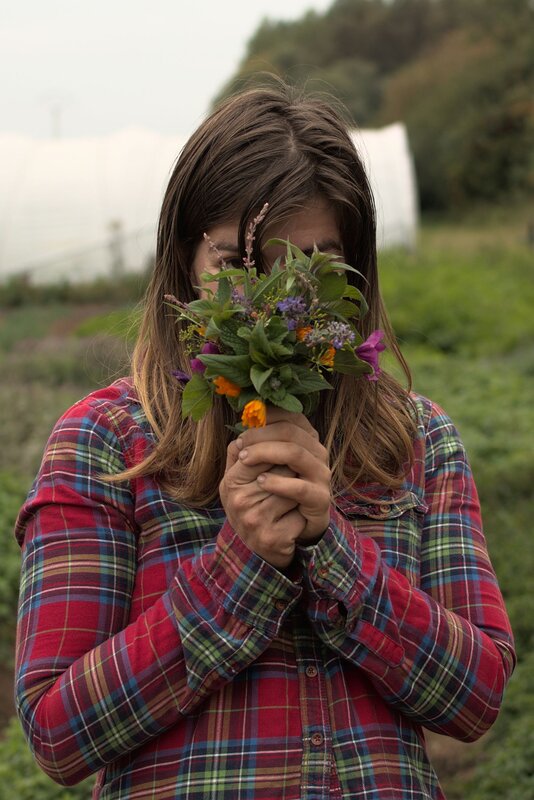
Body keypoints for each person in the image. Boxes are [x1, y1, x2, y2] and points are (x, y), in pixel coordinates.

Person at [14, 82, 515, 800]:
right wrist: (241, 568)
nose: (278, 302)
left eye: (318, 264)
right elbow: (57, 734)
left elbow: (478, 696)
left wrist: (333, 553)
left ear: (358, 270)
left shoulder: (418, 440)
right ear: (185, 260)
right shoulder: (104, 441)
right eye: (237, 266)